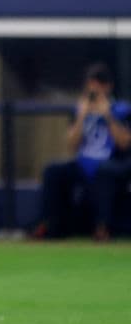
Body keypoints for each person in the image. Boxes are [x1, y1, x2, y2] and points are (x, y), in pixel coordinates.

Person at [32, 64, 131, 241]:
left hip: (112, 163)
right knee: (53, 170)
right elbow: (71, 144)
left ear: (107, 87)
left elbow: (124, 143)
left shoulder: (121, 110)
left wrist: (107, 115)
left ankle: (103, 228)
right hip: (83, 162)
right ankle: (49, 224)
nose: (93, 92)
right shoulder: (81, 110)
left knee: (105, 171)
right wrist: (81, 116)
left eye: (98, 88)